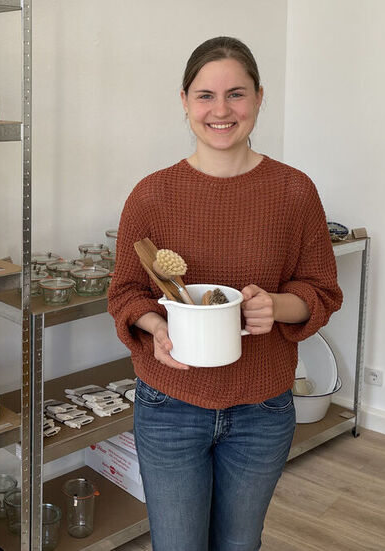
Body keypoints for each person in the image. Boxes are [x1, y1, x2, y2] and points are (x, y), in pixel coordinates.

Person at [106, 36, 343, 551]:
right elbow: (125, 292)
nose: (220, 110)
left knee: (239, 545)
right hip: (169, 406)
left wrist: (276, 306)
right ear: (185, 102)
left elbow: (322, 289)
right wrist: (155, 326)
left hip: (263, 409)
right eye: (204, 96)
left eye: (236, 94)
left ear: (259, 97)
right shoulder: (151, 195)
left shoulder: (294, 192)